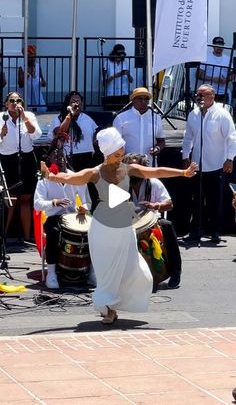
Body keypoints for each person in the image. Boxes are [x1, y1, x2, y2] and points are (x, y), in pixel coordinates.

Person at [41, 127, 197, 324]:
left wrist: (183, 172)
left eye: (122, 153)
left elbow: (155, 171)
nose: (120, 157)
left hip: (124, 228)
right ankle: (108, 309)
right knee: (106, 272)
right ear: (107, 153)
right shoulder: (95, 172)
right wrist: (51, 176)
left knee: (134, 271)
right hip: (102, 228)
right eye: (116, 154)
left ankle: (115, 305)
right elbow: (72, 177)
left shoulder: (128, 169)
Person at [182, 84, 236, 243]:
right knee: (197, 200)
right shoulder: (193, 114)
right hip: (197, 165)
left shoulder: (222, 114)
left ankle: (215, 231)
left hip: (217, 164)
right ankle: (196, 231)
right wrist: (185, 156)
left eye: (203, 94)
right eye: (197, 94)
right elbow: (188, 137)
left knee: (215, 200)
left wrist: (230, 158)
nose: (199, 97)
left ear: (212, 96)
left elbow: (231, 137)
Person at [34, 142, 90, 289]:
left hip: (74, 217)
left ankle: (91, 270)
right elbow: (37, 204)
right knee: (53, 233)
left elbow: (86, 202)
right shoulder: (44, 179)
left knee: (93, 231)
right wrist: (54, 202)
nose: (60, 158)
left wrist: (84, 208)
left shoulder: (76, 177)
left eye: (62, 156)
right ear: (50, 160)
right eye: (56, 156)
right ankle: (51, 273)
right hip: (54, 217)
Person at [124, 153, 182, 289]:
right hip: (130, 223)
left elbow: (170, 204)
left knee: (166, 225)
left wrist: (157, 206)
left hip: (153, 221)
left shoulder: (153, 183)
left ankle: (175, 272)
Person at [0, 91, 42, 241]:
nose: (15, 103)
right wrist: (1, 134)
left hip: (26, 158)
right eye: (11, 100)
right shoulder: (1, 117)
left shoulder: (28, 116)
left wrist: (24, 118)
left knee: (25, 198)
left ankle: (26, 237)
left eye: (18, 100)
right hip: (7, 159)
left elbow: (36, 134)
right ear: (6, 103)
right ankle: (4, 237)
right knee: (10, 199)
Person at [113, 87, 165, 166]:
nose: (143, 102)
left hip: (149, 165)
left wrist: (157, 148)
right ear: (133, 100)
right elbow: (114, 143)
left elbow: (161, 141)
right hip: (128, 165)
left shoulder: (156, 118)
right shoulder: (121, 118)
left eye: (146, 99)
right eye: (140, 99)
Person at [48, 91, 98, 172]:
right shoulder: (59, 118)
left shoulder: (87, 118)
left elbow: (95, 134)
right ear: (68, 103)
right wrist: (70, 115)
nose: (76, 104)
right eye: (73, 101)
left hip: (87, 157)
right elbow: (60, 133)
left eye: (78, 101)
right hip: (69, 157)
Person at [197, 36, 233, 103]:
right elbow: (199, 75)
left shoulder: (228, 59)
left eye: (221, 44)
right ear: (213, 46)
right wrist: (213, 79)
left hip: (223, 93)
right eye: (217, 44)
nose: (219, 47)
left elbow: (232, 75)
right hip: (208, 92)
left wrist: (226, 79)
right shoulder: (206, 58)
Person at [18, 45, 47, 113]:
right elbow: (20, 84)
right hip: (27, 98)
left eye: (33, 56)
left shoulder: (38, 66)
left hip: (38, 99)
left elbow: (43, 82)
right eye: (30, 57)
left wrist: (43, 83)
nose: (32, 59)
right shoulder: (22, 68)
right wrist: (27, 74)